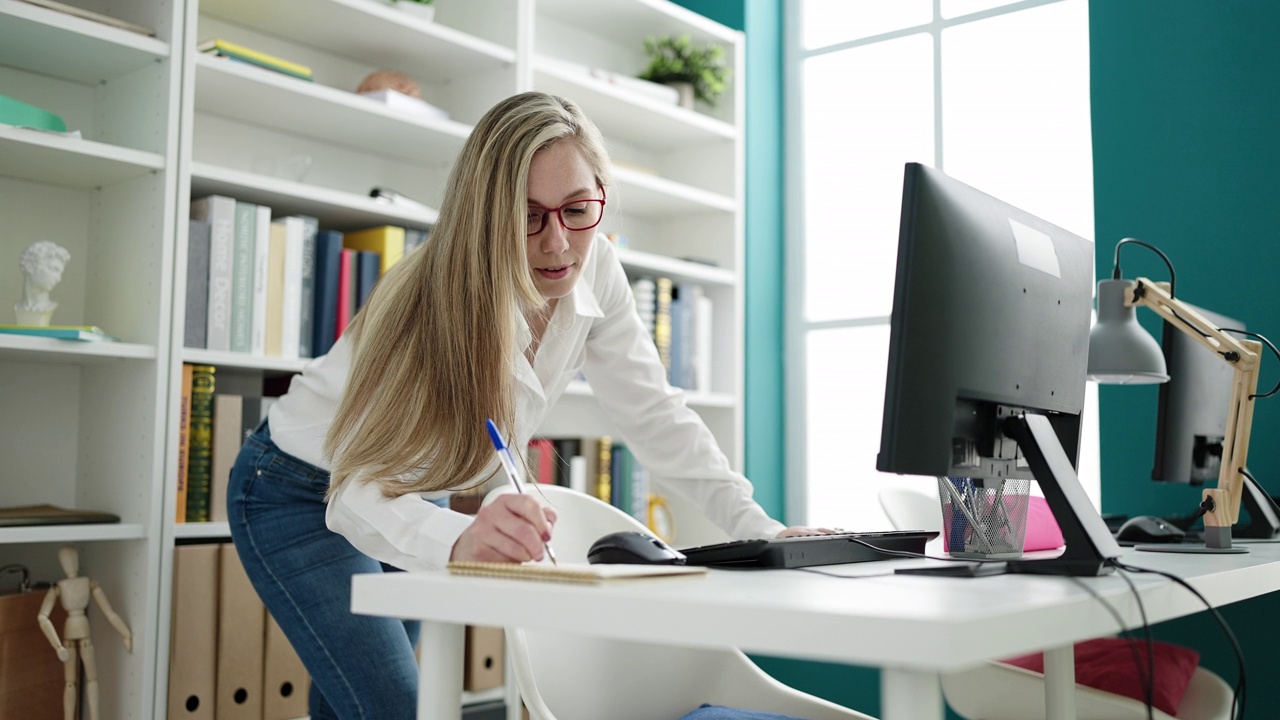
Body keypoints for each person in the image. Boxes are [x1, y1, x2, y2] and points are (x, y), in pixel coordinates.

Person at [227, 91, 829, 720]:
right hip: (298, 490)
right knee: (398, 708)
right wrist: (464, 539)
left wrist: (761, 531)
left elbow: (655, 413)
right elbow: (356, 494)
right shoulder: (424, 305)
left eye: (577, 210)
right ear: (485, 215)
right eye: (529, 216)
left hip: (415, 490)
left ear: (599, 194)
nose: (558, 243)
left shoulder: (596, 263)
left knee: (360, 700)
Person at [15, 240, 70, 325]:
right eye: (54, 269)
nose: (58, 279)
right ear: (31, 266)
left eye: (60, 272)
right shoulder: (18, 307)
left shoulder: (49, 307)